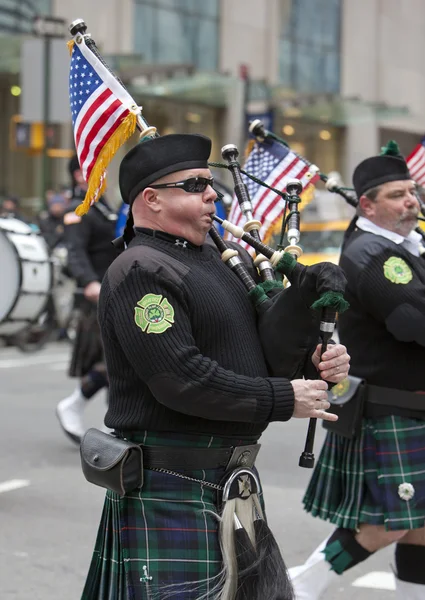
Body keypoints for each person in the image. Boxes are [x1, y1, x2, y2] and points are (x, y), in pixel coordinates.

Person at [80, 133, 350, 600]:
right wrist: (286, 398)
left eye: (211, 182)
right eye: (195, 184)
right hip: (172, 482)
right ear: (153, 200)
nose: (212, 194)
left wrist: (313, 355)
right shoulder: (141, 270)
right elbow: (181, 380)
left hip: (232, 481)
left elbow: (264, 355)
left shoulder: (221, 258)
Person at [290, 146, 425, 599]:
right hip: (390, 407)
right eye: (397, 195)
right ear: (366, 204)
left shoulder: (406, 246)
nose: (411, 200)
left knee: (419, 522)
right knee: (385, 523)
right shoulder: (372, 252)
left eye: (412, 191)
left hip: (410, 406)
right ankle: (298, 588)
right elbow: (412, 319)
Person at [55, 155, 118, 445]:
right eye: (91, 169)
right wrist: (89, 282)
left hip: (114, 289)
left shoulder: (105, 207)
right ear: (78, 175)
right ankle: (75, 404)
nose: (99, 174)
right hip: (96, 293)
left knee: (117, 359)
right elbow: (75, 251)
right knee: (113, 359)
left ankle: (112, 420)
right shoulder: (77, 210)